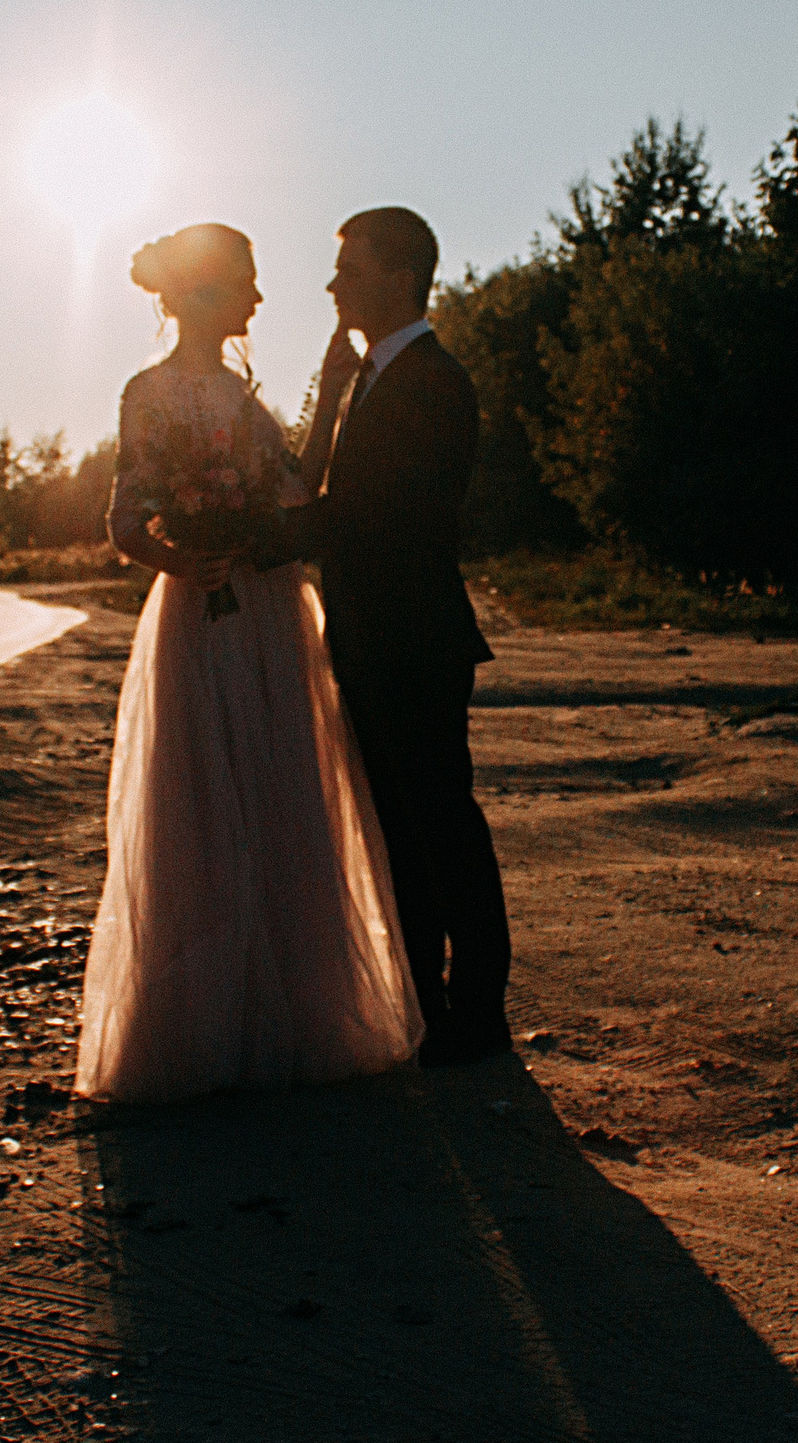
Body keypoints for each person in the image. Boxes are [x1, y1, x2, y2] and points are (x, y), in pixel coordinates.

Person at [74, 222, 421, 1104]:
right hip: (200, 614)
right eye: (248, 285)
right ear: (203, 295)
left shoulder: (243, 396)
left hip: (267, 614)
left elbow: (295, 493)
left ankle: (291, 1013)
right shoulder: (146, 394)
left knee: (279, 797)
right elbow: (123, 523)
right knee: (201, 800)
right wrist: (186, 559)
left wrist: (335, 392)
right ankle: (198, 1026)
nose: (261, 300)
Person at [262, 206, 513, 1067]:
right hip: (371, 636)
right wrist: (329, 396)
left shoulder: (434, 384)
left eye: (350, 268)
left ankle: (478, 1012)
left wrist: (259, 539)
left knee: (442, 819)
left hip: (415, 636)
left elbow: (376, 514)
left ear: (400, 278)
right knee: (399, 827)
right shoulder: (373, 377)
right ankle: (426, 1004)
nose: (334, 284)